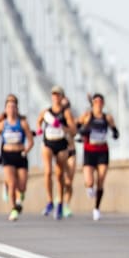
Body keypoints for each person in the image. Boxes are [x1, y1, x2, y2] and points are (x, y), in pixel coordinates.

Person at [0, 94, 34, 221]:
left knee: (22, 186)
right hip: (7, 155)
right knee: (12, 183)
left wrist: (26, 150)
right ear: (5, 109)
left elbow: (31, 141)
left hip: (20, 155)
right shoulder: (2, 124)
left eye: (13, 107)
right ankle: (13, 209)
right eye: (9, 107)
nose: (11, 109)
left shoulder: (22, 123)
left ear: (17, 109)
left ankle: (17, 198)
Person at [36, 86, 77, 219]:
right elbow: (39, 121)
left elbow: (73, 130)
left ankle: (59, 203)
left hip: (61, 144)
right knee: (48, 172)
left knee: (59, 175)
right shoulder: (46, 112)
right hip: (48, 143)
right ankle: (49, 201)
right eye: (53, 95)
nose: (55, 97)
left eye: (58, 95)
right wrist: (38, 129)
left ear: (62, 97)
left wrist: (62, 127)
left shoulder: (66, 113)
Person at [77, 93, 119, 220]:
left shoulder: (108, 117)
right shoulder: (87, 115)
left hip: (102, 150)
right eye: (96, 101)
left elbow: (114, 130)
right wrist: (82, 133)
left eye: (100, 102)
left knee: (101, 180)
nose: (98, 104)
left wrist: (115, 134)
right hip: (89, 151)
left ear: (103, 104)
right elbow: (77, 126)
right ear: (93, 103)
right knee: (89, 181)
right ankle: (89, 188)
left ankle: (96, 208)